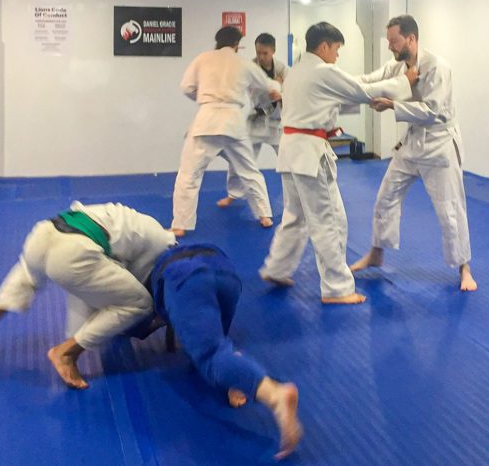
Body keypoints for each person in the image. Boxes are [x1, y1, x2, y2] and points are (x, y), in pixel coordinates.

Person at [258, 22, 414, 304]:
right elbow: (359, 91)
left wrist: (388, 84)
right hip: (309, 153)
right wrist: (405, 82)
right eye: (337, 50)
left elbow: (345, 91)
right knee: (330, 221)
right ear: (325, 46)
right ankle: (337, 288)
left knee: (295, 217)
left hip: (291, 152)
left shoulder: (295, 72)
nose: (337, 56)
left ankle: (277, 268)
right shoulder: (321, 71)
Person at [0, 202, 176, 389]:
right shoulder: (162, 248)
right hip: (73, 253)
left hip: (44, 231)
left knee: (27, 271)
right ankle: (67, 353)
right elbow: (134, 286)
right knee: (139, 304)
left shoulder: (140, 223)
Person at [349, 15, 478, 292]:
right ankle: (376, 252)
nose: (390, 47)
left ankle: (464, 267)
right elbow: (368, 80)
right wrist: (338, 83)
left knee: (451, 209)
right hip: (412, 142)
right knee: (386, 196)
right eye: (388, 42)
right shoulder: (396, 66)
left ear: (411, 38)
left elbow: (433, 111)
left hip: (440, 143)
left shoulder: (437, 67)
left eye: (393, 41)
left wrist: (393, 105)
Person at [141, 244, 302, 459]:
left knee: (210, 356)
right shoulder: (154, 243)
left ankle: (275, 395)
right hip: (225, 271)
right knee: (219, 343)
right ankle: (237, 380)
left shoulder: (145, 279)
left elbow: (143, 318)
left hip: (183, 279)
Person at [171, 26, 281, 236]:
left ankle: (180, 225)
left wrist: (206, 99)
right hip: (233, 122)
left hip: (206, 120)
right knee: (249, 170)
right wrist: (277, 89)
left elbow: (186, 87)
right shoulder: (243, 63)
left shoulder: (202, 58)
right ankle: (264, 215)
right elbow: (268, 84)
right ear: (236, 45)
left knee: (189, 175)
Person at [218, 33, 290, 209]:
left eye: (265, 53)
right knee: (240, 158)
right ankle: (233, 194)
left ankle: (295, 197)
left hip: (276, 121)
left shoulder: (283, 69)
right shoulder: (249, 67)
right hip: (256, 120)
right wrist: (273, 85)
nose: (261, 56)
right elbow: (248, 90)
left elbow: (292, 92)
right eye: (258, 52)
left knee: (288, 159)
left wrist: (281, 93)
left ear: (273, 51)